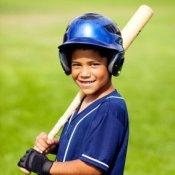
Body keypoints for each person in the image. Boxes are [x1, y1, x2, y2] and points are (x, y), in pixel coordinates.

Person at [18, 13, 129, 175]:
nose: (84, 73)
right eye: (77, 64)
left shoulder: (111, 109)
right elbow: (84, 146)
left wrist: (45, 166)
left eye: (93, 64)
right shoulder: (83, 101)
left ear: (113, 63)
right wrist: (55, 146)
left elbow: (91, 168)